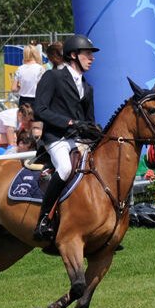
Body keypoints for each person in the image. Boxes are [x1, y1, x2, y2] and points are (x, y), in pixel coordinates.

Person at [32, 33, 99, 242]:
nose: (92, 58)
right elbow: (39, 109)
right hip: (56, 138)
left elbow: (88, 120)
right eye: (87, 54)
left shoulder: (87, 87)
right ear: (73, 55)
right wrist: (68, 122)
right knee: (66, 168)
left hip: (78, 140)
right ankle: (44, 219)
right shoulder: (53, 77)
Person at [12, 43, 45, 107]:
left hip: (23, 100)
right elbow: (41, 87)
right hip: (36, 100)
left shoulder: (19, 69)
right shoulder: (40, 69)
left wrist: (21, 87)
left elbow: (14, 88)